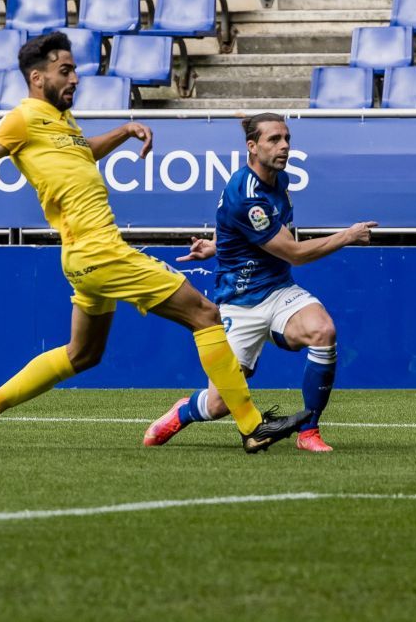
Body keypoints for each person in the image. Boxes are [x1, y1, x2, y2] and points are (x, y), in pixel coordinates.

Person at [0, 34, 309, 453]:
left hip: (82, 258)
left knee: (82, 354)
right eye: (64, 71)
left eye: (74, 70)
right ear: (37, 76)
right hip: (100, 251)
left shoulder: (60, 120)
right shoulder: (24, 118)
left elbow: (81, 151)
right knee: (205, 315)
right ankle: (251, 427)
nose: (75, 78)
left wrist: (125, 131)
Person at [143, 113, 377, 452]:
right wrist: (348, 235)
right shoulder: (246, 194)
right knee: (219, 404)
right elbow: (294, 253)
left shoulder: (278, 181)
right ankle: (184, 411)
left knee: (322, 331)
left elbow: (250, 233)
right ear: (252, 147)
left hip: (279, 290)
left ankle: (308, 432)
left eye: (287, 138)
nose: (284, 146)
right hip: (239, 302)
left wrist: (215, 245)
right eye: (274, 140)